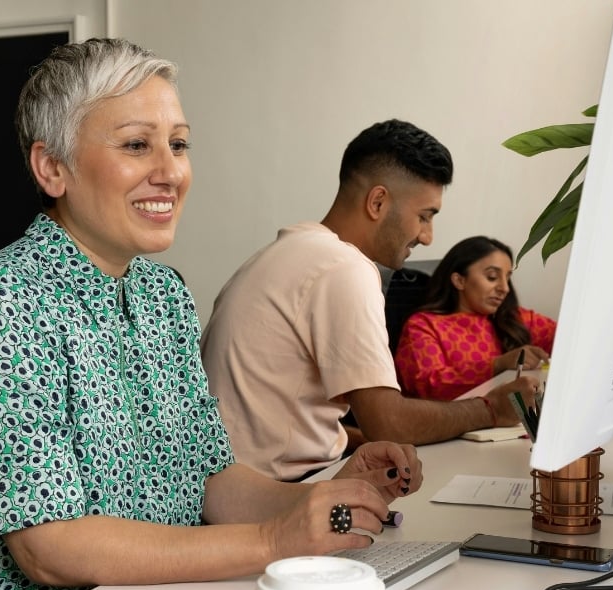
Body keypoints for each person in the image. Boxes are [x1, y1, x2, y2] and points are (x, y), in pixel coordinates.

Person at [0, 39, 424, 590]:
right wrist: (275, 540)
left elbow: (211, 478)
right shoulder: (1, 303)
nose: (171, 172)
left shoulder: (163, 294)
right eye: (136, 145)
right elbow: (49, 550)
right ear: (52, 168)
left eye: (178, 144)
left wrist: (324, 498)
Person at [200, 119, 539, 482]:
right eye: (423, 217)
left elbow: (284, 422)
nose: (427, 236)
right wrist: (491, 409)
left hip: (233, 485)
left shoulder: (279, 254)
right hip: (274, 496)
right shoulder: (344, 267)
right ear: (377, 201)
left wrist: (357, 442)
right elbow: (388, 423)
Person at [395, 236, 557, 401]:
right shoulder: (423, 325)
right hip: (452, 424)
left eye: (507, 278)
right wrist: (497, 365)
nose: (505, 288)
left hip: (515, 422)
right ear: (459, 280)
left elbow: (569, 338)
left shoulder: (515, 319)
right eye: (492, 277)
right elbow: (427, 384)